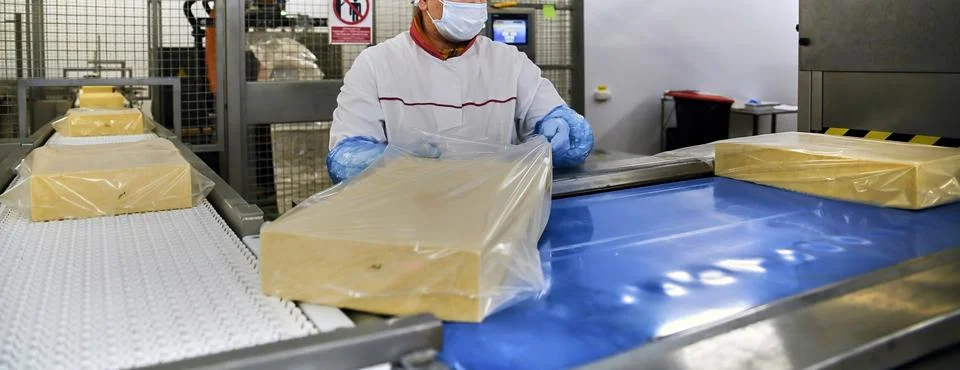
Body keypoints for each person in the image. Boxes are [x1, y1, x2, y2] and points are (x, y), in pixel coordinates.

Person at [327, 0, 594, 183]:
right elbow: (346, 157)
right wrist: (398, 163)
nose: (473, 4)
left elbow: (568, 130)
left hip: (496, 218)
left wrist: (560, 127)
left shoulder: (510, 62)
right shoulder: (376, 64)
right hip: (408, 218)